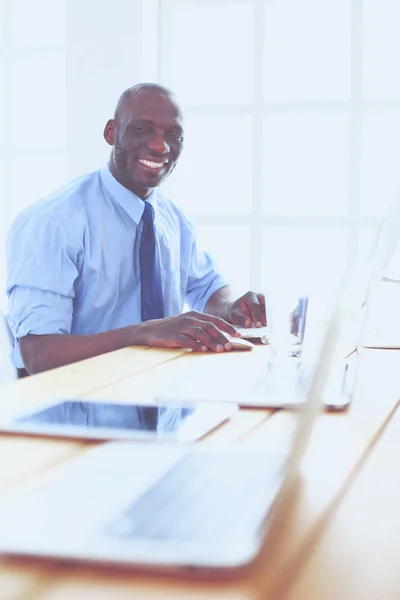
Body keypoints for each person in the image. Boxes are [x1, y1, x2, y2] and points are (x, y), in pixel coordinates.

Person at [6, 83, 266, 375]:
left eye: (173, 135)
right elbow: (39, 354)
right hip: (77, 416)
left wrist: (232, 308)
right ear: (111, 133)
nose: (159, 146)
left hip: (164, 408)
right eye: (142, 129)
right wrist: (141, 333)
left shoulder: (174, 220)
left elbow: (207, 288)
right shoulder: (53, 222)